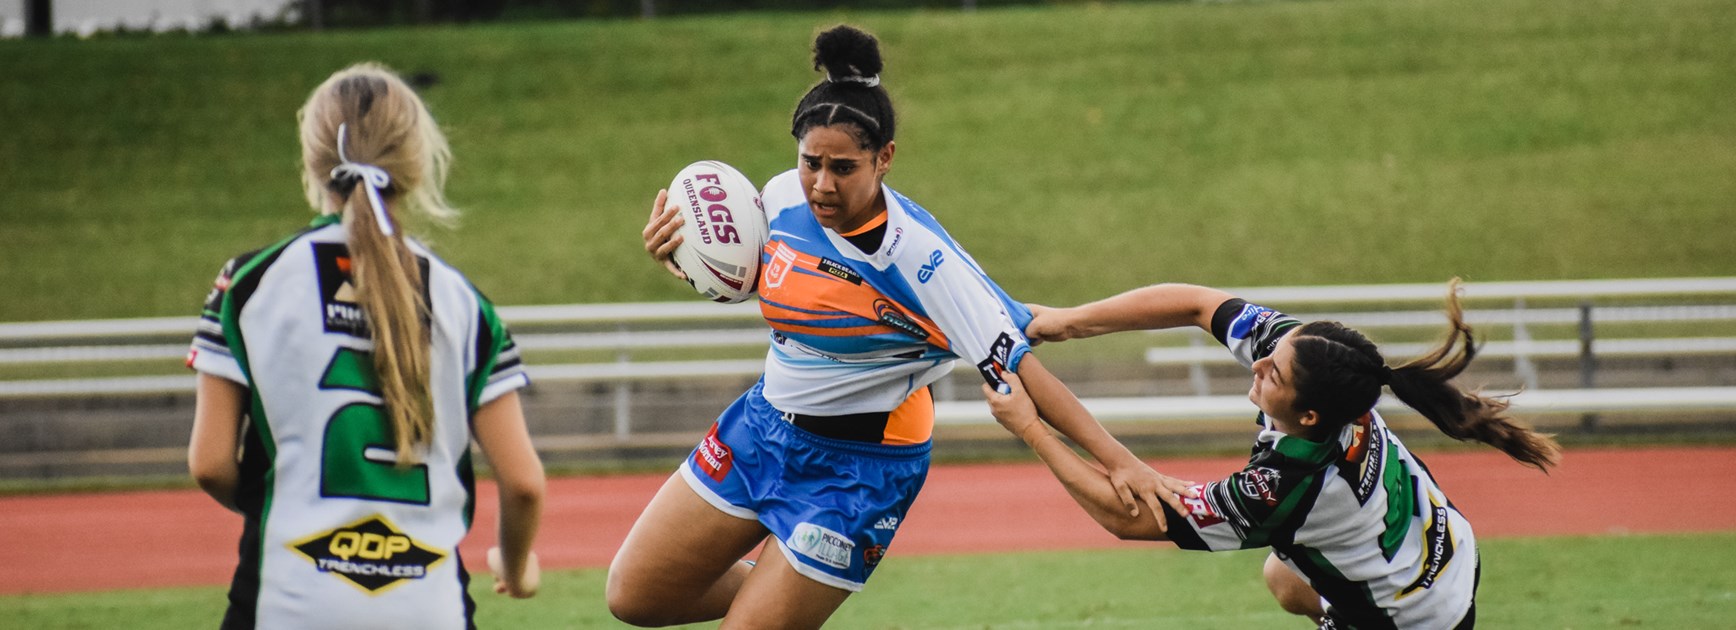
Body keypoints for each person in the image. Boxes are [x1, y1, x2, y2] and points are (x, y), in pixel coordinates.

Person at [611, 25, 1189, 628]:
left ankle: (787, 597)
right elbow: (771, 281)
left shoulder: (921, 261)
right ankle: (784, 597)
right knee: (637, 596)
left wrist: (1122, 461)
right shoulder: (781, 196)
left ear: (885, 158)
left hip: (860, 471)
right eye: (811, 163)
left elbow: (1023, 372)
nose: (822, 184)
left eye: (844, 167)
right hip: (761, 428)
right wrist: (688, 259)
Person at [185, 62, 545, 629]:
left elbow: (209, 464)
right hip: (430, 607)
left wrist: (283, 509)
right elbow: (524, 483)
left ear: (312, 161)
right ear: (417, 166)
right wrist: (518, 567)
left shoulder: (250, 282)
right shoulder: (462, 302)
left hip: (286, 599)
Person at [985, 279, 1561, 629]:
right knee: (1284, 579)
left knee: (1287, 576)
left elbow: (1129, 517)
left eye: (1274, 373)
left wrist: (1031, 429)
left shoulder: (1289, 487)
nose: (1259, 364)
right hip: (1443, 549)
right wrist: (1064, 324)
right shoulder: (1314, 359)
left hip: (1413, 619)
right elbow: (1197, 304)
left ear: (1308, 417)